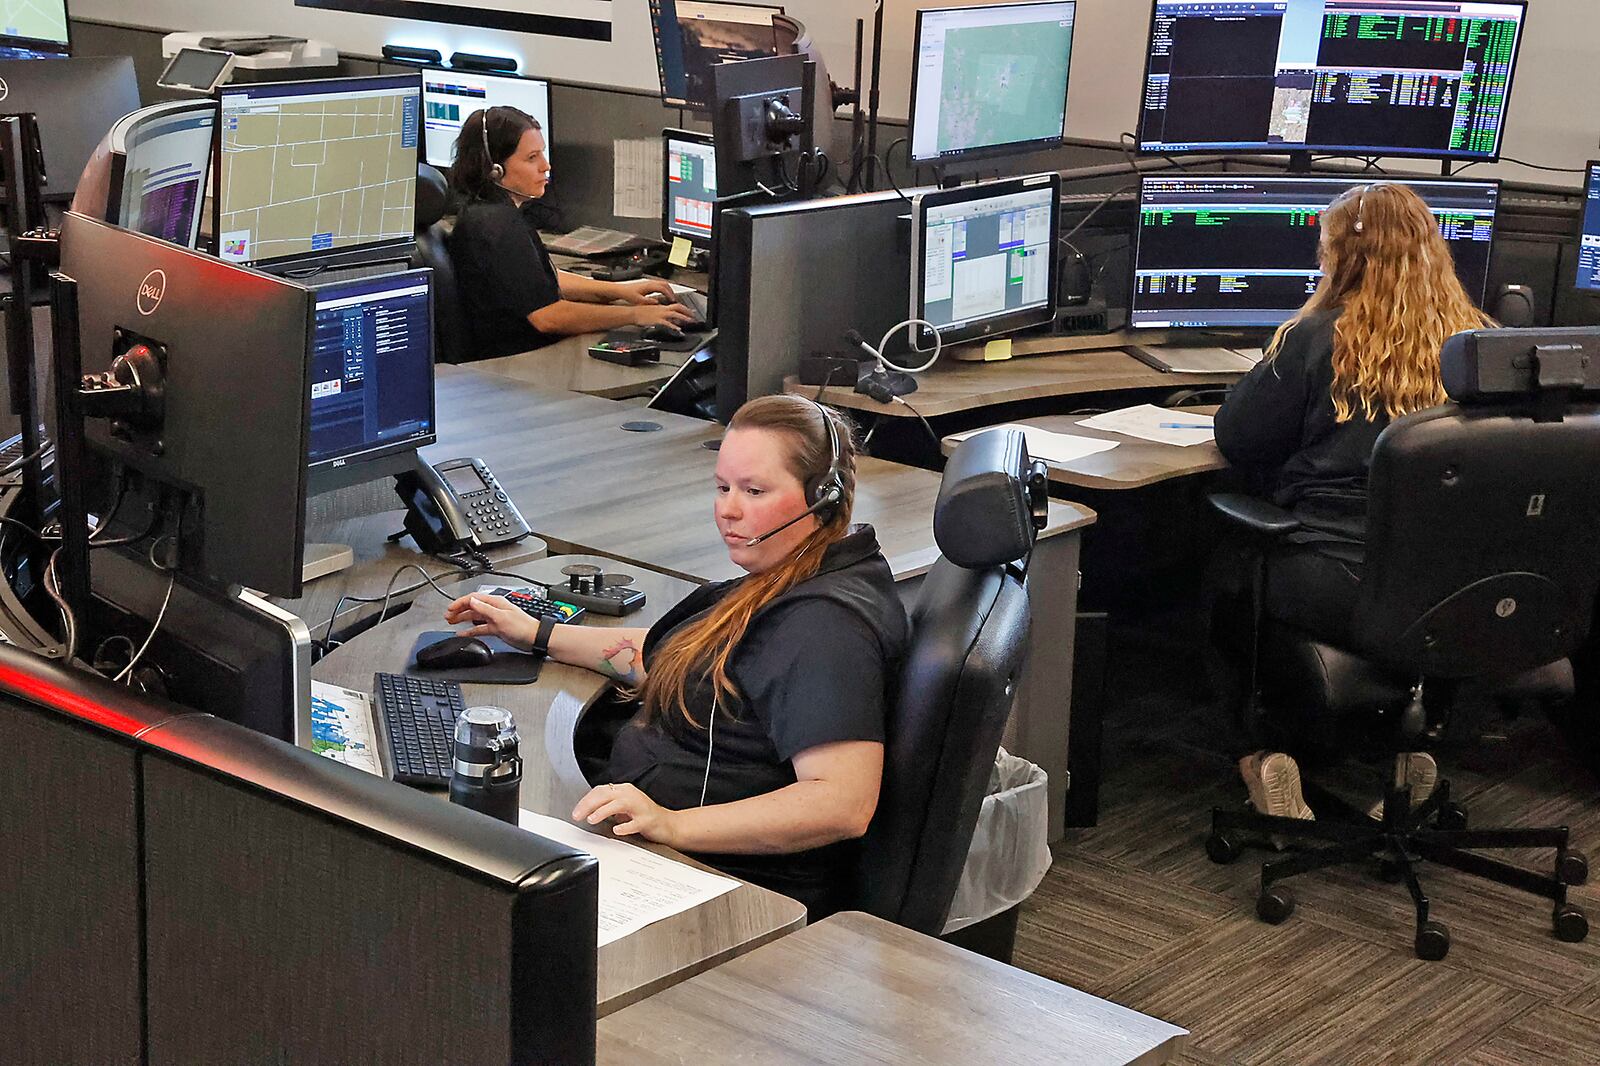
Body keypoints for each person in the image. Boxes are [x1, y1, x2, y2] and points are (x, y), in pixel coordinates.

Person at [443, 395, 909, 916]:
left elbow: (841, 803)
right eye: (723, 487)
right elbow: (671, 656)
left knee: (465, 868)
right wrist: (537, 633)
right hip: (665, 844)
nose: (728, 509)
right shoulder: (790, 574)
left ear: (823, 499)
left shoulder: (823, 629)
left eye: (754, 491)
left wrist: (669, 822)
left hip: (716, 881)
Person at [1212, 182, 1494, 823]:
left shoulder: (1317, 338)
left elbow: (1238, 438)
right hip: (1452, 584)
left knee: (1230, 576)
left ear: (1343, 257)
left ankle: (1264, 753)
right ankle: (1403, 754)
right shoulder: (1480, 345)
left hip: (1340, 580)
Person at [446, 106, 695, 359]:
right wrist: (635, 315)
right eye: (532, 157)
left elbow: (538, 281)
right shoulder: (497, 227)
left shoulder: (486, 210)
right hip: (520, 363)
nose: (546, 165)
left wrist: (619, 291)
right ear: (495, 169)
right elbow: (547, 317)